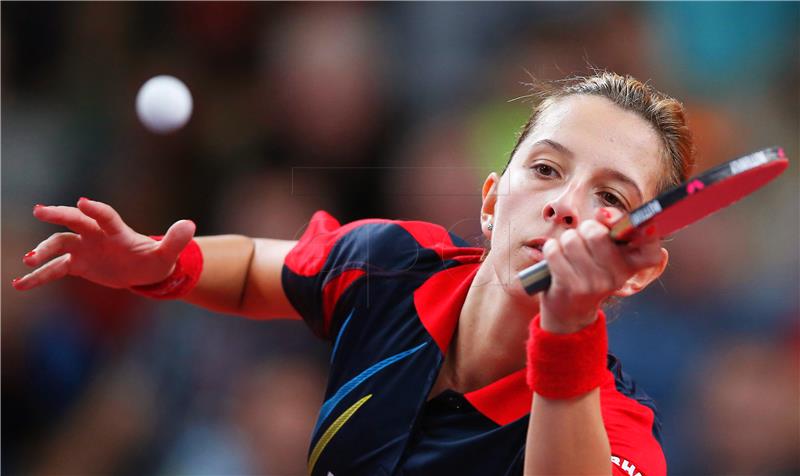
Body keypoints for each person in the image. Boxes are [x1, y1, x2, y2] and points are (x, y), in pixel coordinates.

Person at [14, 71, 693, 476]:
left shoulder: (617, 432)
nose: (566, 206)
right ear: (490, 201)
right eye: (547, 168)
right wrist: (164, 263)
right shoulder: (392, 269)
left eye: (611, 199)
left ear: (636, 271)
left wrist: (568, 330)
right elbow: (258, 268)